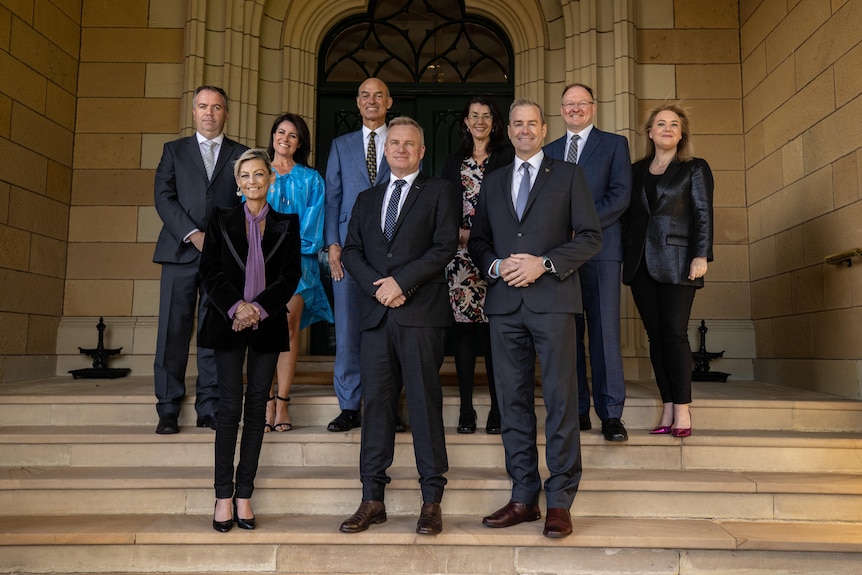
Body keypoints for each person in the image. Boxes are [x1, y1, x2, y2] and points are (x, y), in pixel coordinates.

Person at [468, 100, 602, 539]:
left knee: (561, 401)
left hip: (554, 302)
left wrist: (544, 263)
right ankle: (523, 496)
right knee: (512, 403)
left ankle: (560, 501)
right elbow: (480, 241)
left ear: (545, 129)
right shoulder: (494, 180)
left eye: (532, 123)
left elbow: (590, 238)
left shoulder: (567, 175)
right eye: (518, 123)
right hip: (505, 306)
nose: (524, 130)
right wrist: (495, 267)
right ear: (509, 130)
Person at [339, 116, 460, 536]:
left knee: (425, 404)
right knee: (376, 408)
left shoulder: (441, 192)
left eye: (410, 143)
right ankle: (373, 499)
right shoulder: (366, 198)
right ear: (384, 150)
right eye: (395, 143)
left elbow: (444, 246)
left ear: (422, 152)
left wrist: (401, 282)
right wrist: (379, 289)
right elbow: (351, 250)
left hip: (420, 315)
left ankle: (431, 500)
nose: (402, 149)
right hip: (376, 316)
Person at [198, 148, 301, 532]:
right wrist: (237, 307)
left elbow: (289, 277)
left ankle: (244, 494)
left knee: (257, 407)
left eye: (260, 175)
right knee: (229, 408)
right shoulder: (221, 219)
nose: (253, 182)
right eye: (246, 176)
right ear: (238, 183)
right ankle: (222, 495)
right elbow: (208, 272)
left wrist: (257, 309)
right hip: (226, 321)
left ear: (270, 179)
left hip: (267, 322)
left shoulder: (287, 224)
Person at [152, 85, 248, 434]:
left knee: (215, 331)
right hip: (180, 252)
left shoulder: (241, 155)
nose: (210, 113)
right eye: (203, 106)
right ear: (193, 112)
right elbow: (163, 198)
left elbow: (248, 202)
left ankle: (209, 405)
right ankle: (167, 407)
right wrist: (193, 234)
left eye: (217, 107)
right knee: (173, 331)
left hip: (222, 259)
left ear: (226, 113)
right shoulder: (174, 151)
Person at [544, 83, 632, 442]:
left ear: (593, 108)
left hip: (600, 252)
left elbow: (620, 195)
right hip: (560, 255)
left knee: (604, 332)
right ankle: (578, 408)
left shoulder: (614, 145)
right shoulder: (547, 151)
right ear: (561, 110)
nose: (575, 109)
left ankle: (611, 414)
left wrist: (581, 226)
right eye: (569, 104)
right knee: (568, 334)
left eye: (582, 103)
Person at [622, 104, 713, 438]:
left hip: (678, 261)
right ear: (650, 132)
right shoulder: (634, 171)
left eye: (674, 124)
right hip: (640, 263)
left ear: (681, 133)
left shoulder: (694, 168)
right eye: (660, 123)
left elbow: (703, 214)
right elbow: (626, 216)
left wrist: (700, 255)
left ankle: (683, 407)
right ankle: (667, 404)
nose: (667, 128)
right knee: (655, 337)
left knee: (674, 334)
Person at [324, 78, 395, 432]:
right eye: (365, 95)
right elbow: (332, 198)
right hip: (348, 252)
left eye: (378, 95)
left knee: (390, 330)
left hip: (391, 250)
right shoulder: (341, 145)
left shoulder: (399, 141)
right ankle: (350, 405)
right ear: (357, 102)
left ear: (389, 102)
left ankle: (388, 405)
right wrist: (332, 245)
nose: (372, 100)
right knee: (348, 328)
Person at [441, 96, 514, 435]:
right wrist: (459, 233)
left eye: (486, 115)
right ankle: (467, 408)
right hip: (460, 258)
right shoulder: (453, 161)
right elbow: (441, 206)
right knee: (465, 333)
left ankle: (499, 408)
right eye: (474, 116)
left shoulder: (507, 157)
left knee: (495, 332)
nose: (480, 120)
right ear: (466, 122)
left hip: (498, 255)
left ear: (494, 122)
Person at [264, 113, 334, 432]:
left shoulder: (312, 180)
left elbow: (313, 230)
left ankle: (282, 402)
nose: (286, 139)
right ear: (273, 136)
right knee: (263, 333)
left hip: (297, 267)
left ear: (300, 142)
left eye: (293, 135)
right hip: (259, 267)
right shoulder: (257, 172)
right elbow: (248, 219)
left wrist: (282, 252)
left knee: (289, 330)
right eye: (281, 132)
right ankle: (263, 401)